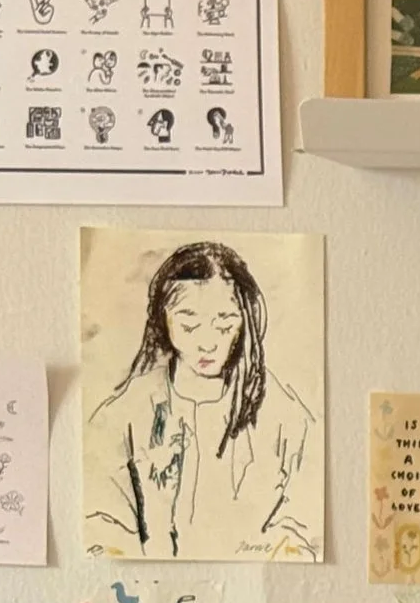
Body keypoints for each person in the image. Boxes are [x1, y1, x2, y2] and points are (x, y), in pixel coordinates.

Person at [83, 240, 319, 560]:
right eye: (189, 323)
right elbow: (99, 527)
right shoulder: (122, 415)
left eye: (224, 323)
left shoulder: (286, 418)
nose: (207, 342)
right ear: (162, 319)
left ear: (245, 321)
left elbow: (305, 532)